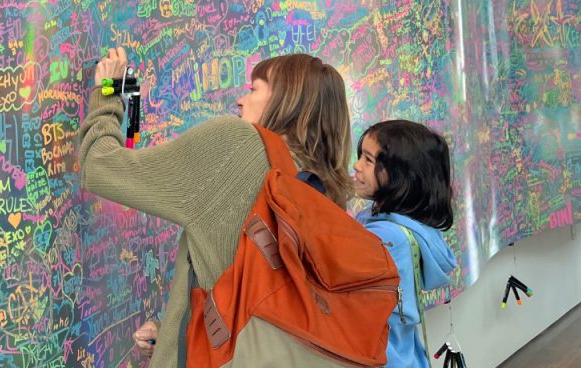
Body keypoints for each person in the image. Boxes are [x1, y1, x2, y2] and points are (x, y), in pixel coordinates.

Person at [80, 48, 354, 367]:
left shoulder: (237, 145)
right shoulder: (325, 188)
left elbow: (100, 168)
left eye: (253, 89)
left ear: (288, 102)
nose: (240, 100)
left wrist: (109, 90)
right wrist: (172, 335)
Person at [353, 120, 457, 368]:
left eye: (368, 160)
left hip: (384, 358)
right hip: (403, 354)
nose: (356, 166)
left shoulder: (388, 239)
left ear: (401, 175)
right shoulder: (408, 227)